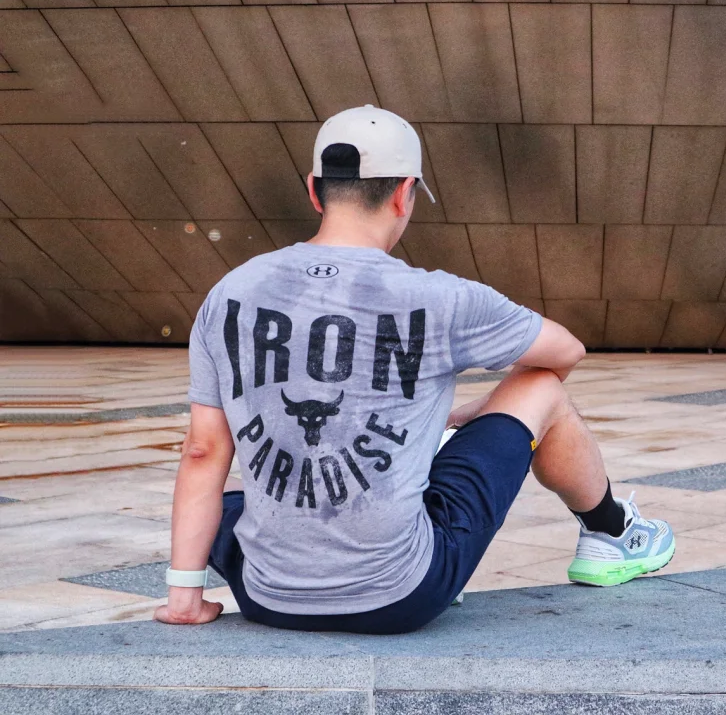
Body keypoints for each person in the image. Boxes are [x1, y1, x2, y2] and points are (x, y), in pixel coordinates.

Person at [153, 106, 675, 634]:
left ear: (314, 190)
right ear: (404, 195)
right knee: (541, 386)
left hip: (267, 597)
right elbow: (566, 352)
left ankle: (195, 591)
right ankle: (611, 533)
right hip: (402, 596)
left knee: (237, 503)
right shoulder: (442, 297)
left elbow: (203, 451)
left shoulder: (230, 293)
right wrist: (480, 409)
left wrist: (185, 599)